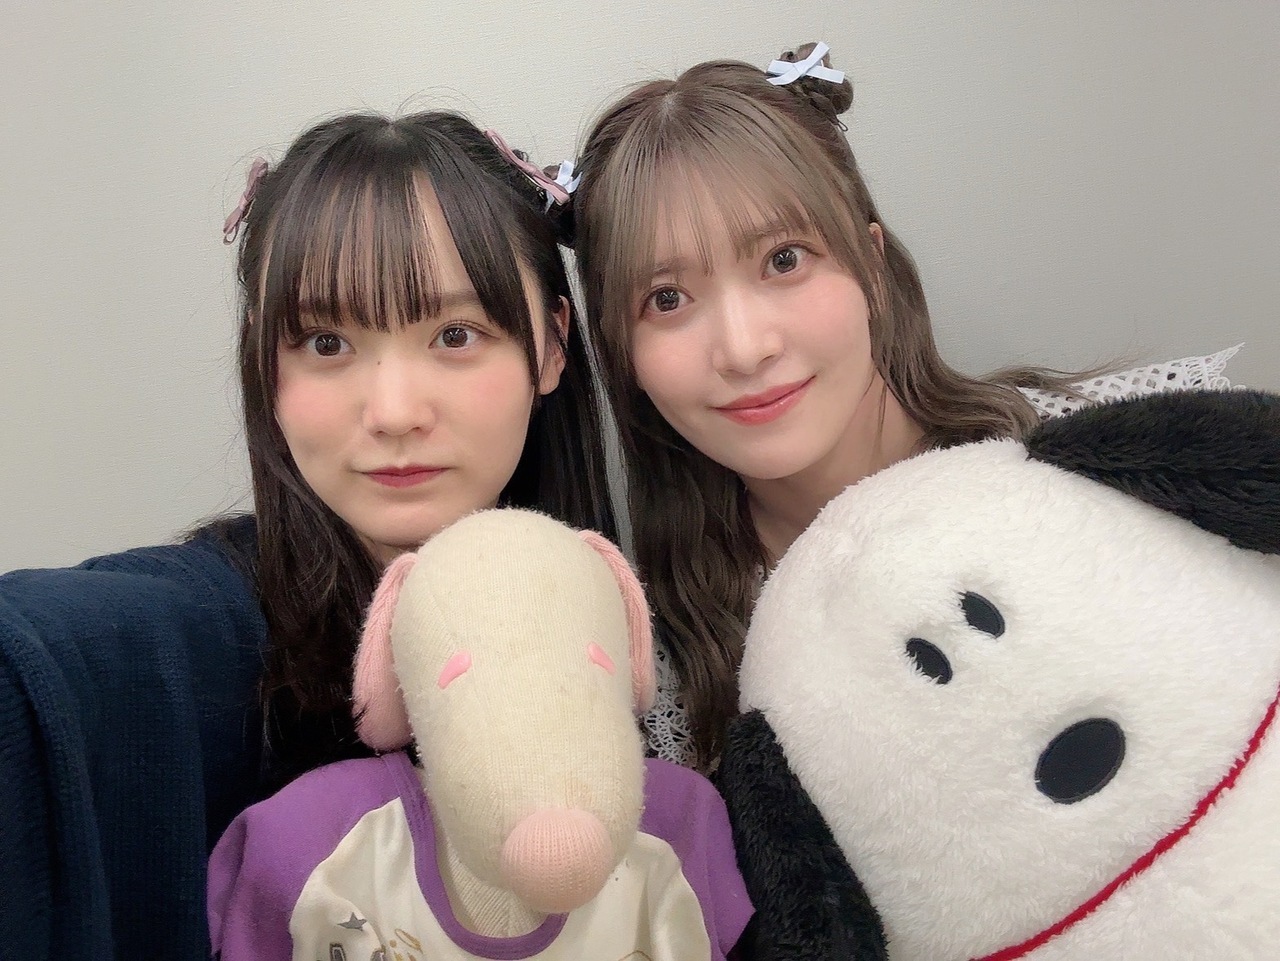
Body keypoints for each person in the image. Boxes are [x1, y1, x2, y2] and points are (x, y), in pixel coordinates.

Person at [0, 109, 617, 961]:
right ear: (267, 364)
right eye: (327, 342)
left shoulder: (634, 652)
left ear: (550, 346)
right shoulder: (204, 626)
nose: (393, 412)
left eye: (454, 335)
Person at [565, 43, 1094, 772]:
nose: (744, 348)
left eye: (783, 259)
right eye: (668, 298)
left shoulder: (1089, 462)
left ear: (870, 263)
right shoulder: (662, 681)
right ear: (621, 352)